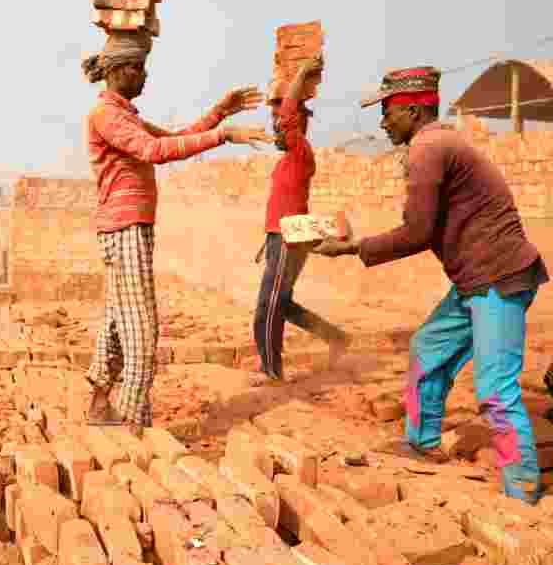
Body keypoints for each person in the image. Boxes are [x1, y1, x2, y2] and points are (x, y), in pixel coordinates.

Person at [315, 66, 548, 504]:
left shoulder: (430, 148)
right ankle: (421, 443)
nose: (383, 121)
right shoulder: (434, 145)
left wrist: (352, 248)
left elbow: (417, 231)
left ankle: (524, 491)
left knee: (496, 390)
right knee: (427, 349)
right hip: (474, 281)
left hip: (498, 278)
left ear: (415, 110)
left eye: (388, 111)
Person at [80, 32, 273, 437]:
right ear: (119, 71)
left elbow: (172, 138)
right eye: (139, 69)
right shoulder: (106, 115)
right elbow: (153, 152)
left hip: (127, 226)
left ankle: (99, 401)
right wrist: (223, 136)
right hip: (124, 226)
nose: (145, 77)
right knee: (142, 325)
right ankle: (133, 419)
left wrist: (220, 114)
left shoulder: (124, 114)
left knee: (118, 318)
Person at [251, 55, 350, 386]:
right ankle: (335, 337)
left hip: (289, 241)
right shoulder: (288, 159)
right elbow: (283, 204)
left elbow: (290, 114)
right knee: (282, 303)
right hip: (281, 237)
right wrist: (265, 241)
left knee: (268, 306)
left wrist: (304, 72)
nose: (275, 128)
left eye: (279, 123)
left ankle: (271, 372)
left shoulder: (300, 151)